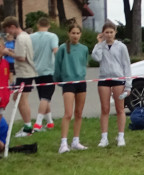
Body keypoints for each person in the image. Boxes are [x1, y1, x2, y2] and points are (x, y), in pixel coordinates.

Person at [92, 21, 132, 148]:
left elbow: (127, 65)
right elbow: (96, 58)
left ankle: (121, 136)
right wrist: (98, 44)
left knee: (120, 109)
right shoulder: (101, 46)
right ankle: (104, 138)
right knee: (105, 109)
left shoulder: (121, 47)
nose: (109, 35)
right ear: (102, 33)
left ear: (115, 33)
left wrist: (128, 85)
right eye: (106, 32)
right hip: (104, 79)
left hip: (118, 78)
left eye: (111, 32)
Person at [54, 23, 90, 153]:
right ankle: (63, 143)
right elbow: (57, 67)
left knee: (79, 113)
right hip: (68, 82)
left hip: (81, 82)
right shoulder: (62, 48)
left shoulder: (84, 48)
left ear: (80, 34)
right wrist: (59, 81)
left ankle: (76, 140)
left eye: (77, 33)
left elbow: (84, 63)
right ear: (69, 34)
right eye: (73, 33)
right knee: (68, 113)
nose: (75, 35)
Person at [1, 16, 37, 137]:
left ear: (13, 27)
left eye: (8, 30)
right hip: (25, 72)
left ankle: (28, 128)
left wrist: (8, 53)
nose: (8, 33)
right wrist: (12, 50)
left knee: (22, 99)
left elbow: (21, 57)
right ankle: (27, 125)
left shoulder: (21, 39)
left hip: (25, 73)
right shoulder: (25, 36)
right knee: (17, 98)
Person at [29, 16, 59, 131]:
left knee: (43, 97)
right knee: (46, 98)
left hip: (36, 70)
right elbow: (55, 50)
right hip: (49, 70)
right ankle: (38, 123)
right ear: (49, 25)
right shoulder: (52, 36)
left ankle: (50, 121)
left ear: (38, 25)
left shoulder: (31, 37)